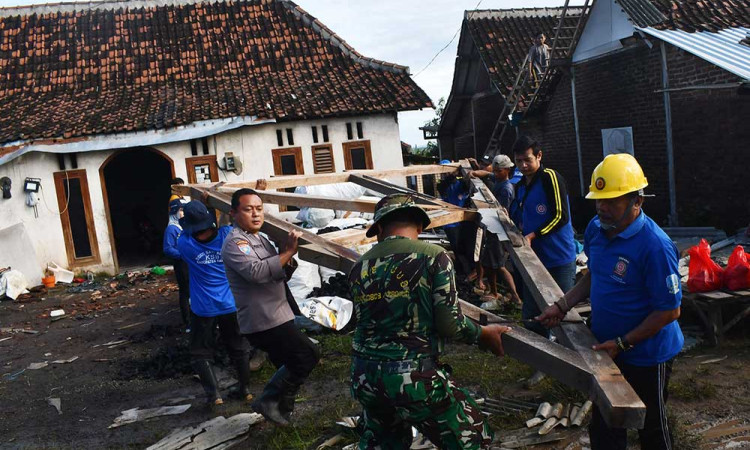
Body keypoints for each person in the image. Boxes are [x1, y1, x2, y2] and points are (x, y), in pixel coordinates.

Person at [537, 153, 684, 450]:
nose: (602, 208)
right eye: (598, 200)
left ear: (637, 201)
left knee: (651, 428)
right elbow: (595, 274)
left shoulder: (655, 246)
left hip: (646, 355)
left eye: (612, 201)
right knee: (605, 425)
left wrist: (623, 342)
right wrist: (563, 305)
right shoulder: (596, 227)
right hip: (604, 348)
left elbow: (669, 311)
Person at [348, 193, 511, 449]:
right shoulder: (434, 256)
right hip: (414, 378)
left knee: (383, 442)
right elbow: (450, 324)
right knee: (472, 438)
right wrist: (482, 334)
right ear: (420, 226)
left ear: (379, 228)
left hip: (364, 377)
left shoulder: (359, 266)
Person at [222, 188, 320, 426]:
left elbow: (278, 272)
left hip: (278, 313)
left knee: (288, 363)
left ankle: (283, 412)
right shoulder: (236, 243)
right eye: (248, 209)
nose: (255, 214)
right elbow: (257, 272)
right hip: (262, 319)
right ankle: (268, 401)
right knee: (308, 354)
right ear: (234, 213)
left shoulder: (260, 238)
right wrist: (286, 252)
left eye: (259, 208)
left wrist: (287, 256)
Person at [177, 201, 252, 406]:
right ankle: (245, 390)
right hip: (231, 304)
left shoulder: (186, 244)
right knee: (238, 346)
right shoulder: (227, 236)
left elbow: (183, 231)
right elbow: (228, 217)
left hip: (203, 308)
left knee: (200, 351)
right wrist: (210, 202)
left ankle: (214, 395)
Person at [509, 135, 577, 336]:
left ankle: (570, 361)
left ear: (539, 156)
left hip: (559, 258)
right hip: (534, 260)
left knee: (562, 313)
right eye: (518, 161)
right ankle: (542, 356)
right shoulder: (521, 186)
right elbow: (518, 214)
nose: (523, 165)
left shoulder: (550, 178)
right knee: (533, 313)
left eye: (527, 160)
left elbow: (560, 216)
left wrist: (533, 236)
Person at [469, 155, 522, 305]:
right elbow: (486, 174)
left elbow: (502, 213)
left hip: (499, 230)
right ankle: (494, 291)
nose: (496, 173)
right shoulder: (497, 179)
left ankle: (515, 297)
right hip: (492, 229)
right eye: (496, 170)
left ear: (507, 170)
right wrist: (474, 172)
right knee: (489, 263)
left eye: (499, 171)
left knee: (499, 266)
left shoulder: (506, 188)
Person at [164, 198, 190, 327]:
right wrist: (182, 255)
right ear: (174, 211)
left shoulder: (184, 226)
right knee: (185, 291)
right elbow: (168, 248)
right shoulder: (172, 229)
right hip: (182, 264)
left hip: (190, 262)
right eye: (181, 210)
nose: (183, 213)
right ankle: (188, 321)